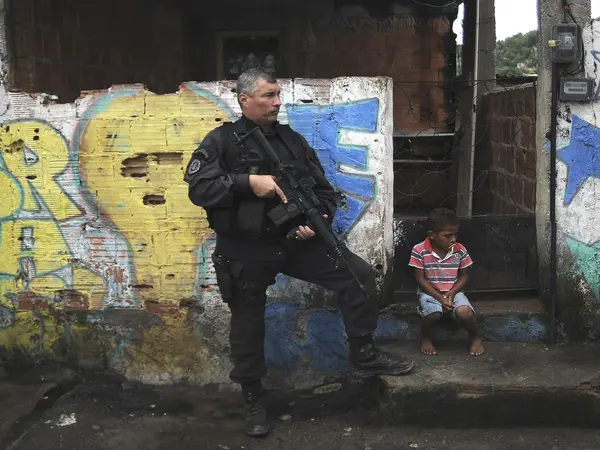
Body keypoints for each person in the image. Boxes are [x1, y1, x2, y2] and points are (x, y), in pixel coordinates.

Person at [183, 68, 415, 437]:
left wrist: (315, 219)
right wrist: (247, 182)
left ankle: (364, 356)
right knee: (247, 325)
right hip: (245, 249)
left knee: (358, 277)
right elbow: (199, 189)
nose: (277, 102)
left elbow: (323, 190)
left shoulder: (292, 141)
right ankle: (253, 398)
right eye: (268, 96)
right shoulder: (221, 141)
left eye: (278, 95)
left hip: (293, 242)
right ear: (245, 100)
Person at [408, 208, 484, 357]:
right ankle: (425, 338)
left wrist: (452, 293)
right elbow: (420, 278)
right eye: (448, 236)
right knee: (433, 313)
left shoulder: (460, 250)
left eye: (455, 235)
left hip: (453, 291)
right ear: (432, 235)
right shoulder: (419, 250)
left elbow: (465, 276)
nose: (453, 239)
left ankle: (475, 337)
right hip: (430, 293)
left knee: (465, 312)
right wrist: (438, 297)